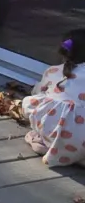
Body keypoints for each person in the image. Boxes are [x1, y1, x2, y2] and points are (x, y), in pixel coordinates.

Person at [22, 29, 85, 167]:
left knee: (32, 102)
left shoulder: (53, 71)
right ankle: (76, 154)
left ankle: (44, 141)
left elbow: (37, 92)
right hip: (81, 137)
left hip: (51, 129)